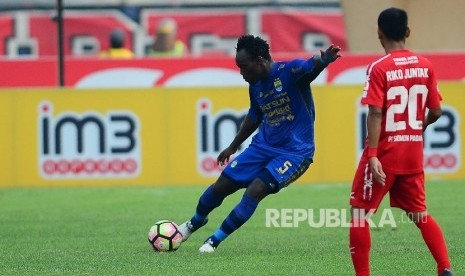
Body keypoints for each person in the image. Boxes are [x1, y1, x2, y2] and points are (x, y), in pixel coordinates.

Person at [178, 34, 341, 253]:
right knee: (221, 186)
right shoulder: (255, 85)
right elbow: (255, 116)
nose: (241, 73)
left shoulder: (290, 72)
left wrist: (324, 60)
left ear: (260, 61)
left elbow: (309, 68)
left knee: (255, 190)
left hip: (295, 153)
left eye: (244, 67)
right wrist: (233, 146)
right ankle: (194, 223)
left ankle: (213, 241)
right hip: (263, 146)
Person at [348, 7, 453, 276]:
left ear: (378, 34)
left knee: (360, 214)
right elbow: (438, 110)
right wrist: (419, 128)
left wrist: (372, 154)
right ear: (407, 32)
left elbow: (374, 111)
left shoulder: (378, 68)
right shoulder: (426, 65)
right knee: (420, 214)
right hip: (412, 154)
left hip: (384, 154)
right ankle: (445, 268)